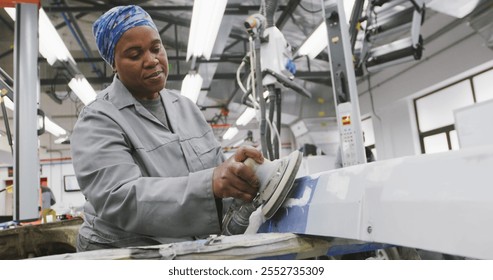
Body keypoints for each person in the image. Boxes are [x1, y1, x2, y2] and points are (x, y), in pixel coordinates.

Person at [70, 5, 263, 252]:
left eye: (155, 48)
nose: (151, 60)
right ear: (114, 64)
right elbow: (119, 198)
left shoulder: (185, 107)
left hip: (182, 243)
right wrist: (209, 183)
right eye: (134, 54)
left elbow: (215, 170)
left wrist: (234, 171)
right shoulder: (97, 120)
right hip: (123, 251)